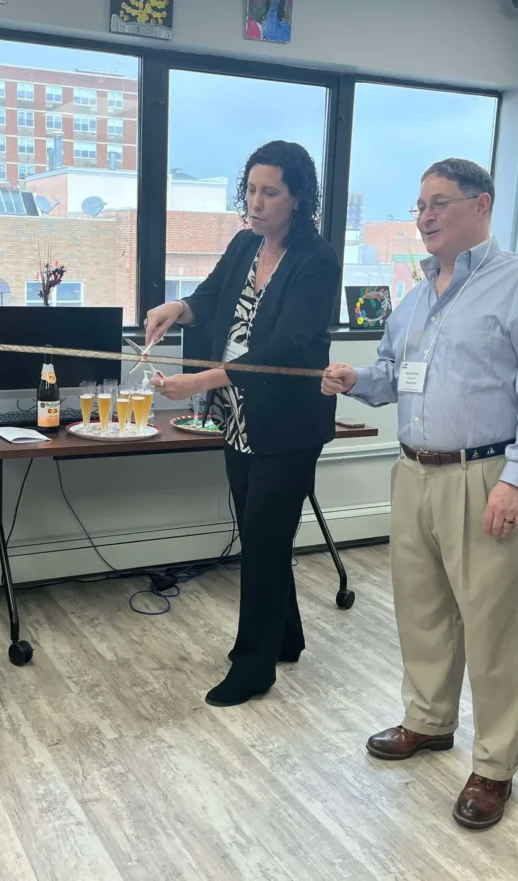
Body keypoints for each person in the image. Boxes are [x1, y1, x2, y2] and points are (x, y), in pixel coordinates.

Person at [321, 158, 518, 830]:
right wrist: (354, 379)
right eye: (419, 205)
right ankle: (429, 721)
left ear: (481, 205)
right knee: (424, 610)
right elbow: (390, 376)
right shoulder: (414, 300)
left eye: (439, 203)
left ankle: (494, 765)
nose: (425, 216)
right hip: (415, 473)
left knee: (497, 623)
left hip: (488, 474)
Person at [145, 141, 340, 708]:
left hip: (288, 425)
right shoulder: (243, 244)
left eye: (270, 192)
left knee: (262, 541)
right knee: (264, 536)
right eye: (251, 190)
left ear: (297, 197)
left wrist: (200, 381)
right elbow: (210, 297)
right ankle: (286, 636)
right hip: (237, 418)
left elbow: (287, 346)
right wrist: (175, 309)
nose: (255, 202)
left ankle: (253, 666)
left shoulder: (317, 260)